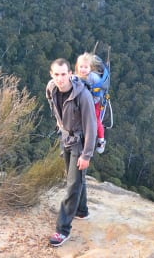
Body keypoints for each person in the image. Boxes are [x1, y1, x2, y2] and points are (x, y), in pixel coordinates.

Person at [45, 57, 97, 247]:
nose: (60, 78)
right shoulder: (51, 88)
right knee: (74, 178)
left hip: (79, 143)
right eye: (56, 74)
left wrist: (86, 155)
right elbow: (54, 108)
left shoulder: (82, 96)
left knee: (72, 184)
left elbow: (91, 126)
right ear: (52, 75)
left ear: (70, 74)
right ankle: (82, 211)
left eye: (64, 74)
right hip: (65, 138)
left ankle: (62, 230)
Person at [75, 52, 106, 154]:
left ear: (90, 68)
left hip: (95, 102)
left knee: (95, 121)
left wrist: (90, 104)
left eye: (86, 67)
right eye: (81, 67)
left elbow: (97, 95)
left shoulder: (93, 78)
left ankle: (101, 140)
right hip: (83, 102)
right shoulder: (77, 77)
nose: (83, 69)